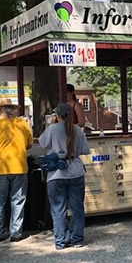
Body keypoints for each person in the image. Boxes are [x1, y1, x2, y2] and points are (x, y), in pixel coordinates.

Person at [39, 103, 90, 250]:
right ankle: (77, 239)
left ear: (57, 116)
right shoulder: (77, 130)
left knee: (58, 209)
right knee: (77, 208)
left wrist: (51, 124)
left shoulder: (53, 129)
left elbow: (42, 143)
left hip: (57, 174)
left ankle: (60, 240)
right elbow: (84, 150)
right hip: (76, 171)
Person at [0, 98, 33, 242]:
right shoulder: (23, 124)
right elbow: (29, 145)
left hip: (1, 168)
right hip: (20, 167)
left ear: (0, 111)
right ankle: (16, 233)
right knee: (18, 202)